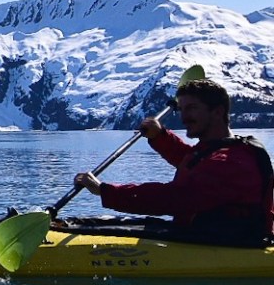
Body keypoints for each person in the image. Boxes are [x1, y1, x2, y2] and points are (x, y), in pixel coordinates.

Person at [74, 78, 273, 245]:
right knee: (84, 224)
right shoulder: (216, 151)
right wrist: (159, 136)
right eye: (182, 109)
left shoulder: (230, 161)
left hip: (229, 242)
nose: (184, 117)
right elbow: (191, 162)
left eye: (192, 108)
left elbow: (171, 198)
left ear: (218, 112)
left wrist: (104, 190)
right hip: (201, 233)